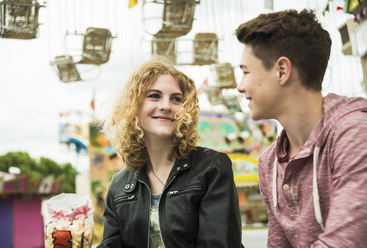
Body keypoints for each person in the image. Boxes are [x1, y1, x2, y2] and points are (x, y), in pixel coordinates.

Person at [235, 9, 367, 247]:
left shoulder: (355, 134)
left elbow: (345, 242)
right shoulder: (269, 163)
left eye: (245, 72)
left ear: (282, 71)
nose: (240, 86)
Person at [98, 60, 243, 248]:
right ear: (133, 106)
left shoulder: (212, 167)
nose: (166, 105)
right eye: (154, 96)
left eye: (176, 99)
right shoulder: (119, 185)